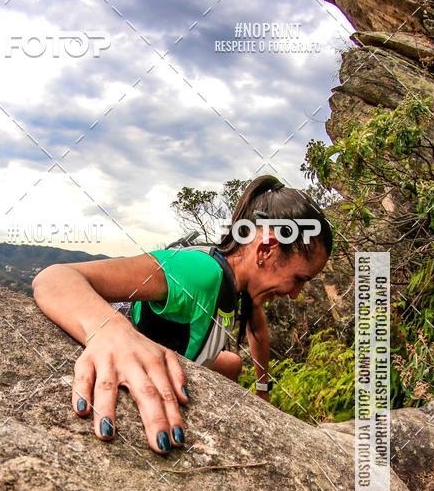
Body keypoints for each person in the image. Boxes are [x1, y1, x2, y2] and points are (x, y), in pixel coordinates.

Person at [32, 175, 332, 455]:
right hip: (129, 355)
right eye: (299, 279)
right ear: (266, 250)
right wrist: (114, 333)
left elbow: (257, 329)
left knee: (232, 363)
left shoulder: (241, 286)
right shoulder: (199, 273)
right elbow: (55, 277)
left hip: (184, 358)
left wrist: (263, 389)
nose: (296, 294)